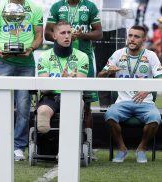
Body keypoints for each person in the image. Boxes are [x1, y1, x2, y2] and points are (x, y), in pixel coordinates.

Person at [0, 0, 43, 161]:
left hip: (26, 64)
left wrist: (30, 49)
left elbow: (39, 36)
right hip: (3, 63)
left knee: (23, 108)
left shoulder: (35, 9)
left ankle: (18, 147)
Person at [45, 0, 103, 157]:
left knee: (87, 106)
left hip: (83, 59)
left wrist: (81, 35)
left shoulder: (89, 6)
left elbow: (99, 33)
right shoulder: (57, 7)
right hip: (60, 58)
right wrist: (61, 35)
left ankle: (87, 146)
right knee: (57, 98)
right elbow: (47, 33)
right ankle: (57, 145)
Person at [98, 25, 162, 163]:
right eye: (130, 36)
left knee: (155, 118)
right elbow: (100, 74)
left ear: (144, 40)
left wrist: (147, 90)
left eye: (136, 37)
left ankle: (142, 148)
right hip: (122, 101)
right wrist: (108, 72)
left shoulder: (151, 56)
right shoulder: (118, 54)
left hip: (145, 103)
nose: (132, 39)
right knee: (109, 115)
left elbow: (160, 78)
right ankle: (122, 149)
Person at [37, 21, 89, 133]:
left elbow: (81, 86)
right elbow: (44, 89)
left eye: (69, 32)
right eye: (63, 33)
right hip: (51, 97)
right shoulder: (44, 56)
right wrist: (62, 81)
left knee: (75, 108)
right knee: (42, 114)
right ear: (54, 36)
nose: (67, 36)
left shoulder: (82, 56)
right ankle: (49, 146)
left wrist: (70, 82)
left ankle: (71, 144)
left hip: (74, 96)